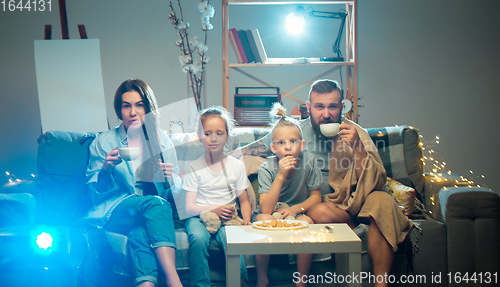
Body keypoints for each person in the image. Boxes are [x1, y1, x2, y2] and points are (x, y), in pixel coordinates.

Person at [241, 79, 413, 287]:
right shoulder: (295, 132)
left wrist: (357, 147)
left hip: (357, 202)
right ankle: (353, 234)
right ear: (308, 107)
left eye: (332, 106)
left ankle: (380, 285)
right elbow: (250, 152)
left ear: (342, 107)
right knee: (319, 211)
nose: (326, 114)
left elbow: (377, 181)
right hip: (325, 207)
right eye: (319, 107)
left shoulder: (355, 133)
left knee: (383, 200)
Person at [85, 79, 183, 287]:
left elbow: (176, 193)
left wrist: (171, 178)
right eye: (126, 105)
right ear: (119, 110)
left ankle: (146, 283)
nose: (133, 112)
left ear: (148, 109)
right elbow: (93, 194)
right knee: (155, 203)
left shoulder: (162, 140)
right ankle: (174, 281)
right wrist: (106, 169)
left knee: (139, 233)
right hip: (117, 207)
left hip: (147, 212)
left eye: (139, 105)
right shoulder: (104, 142)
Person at [252, 103, 322, 287]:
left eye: (293, 141)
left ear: (302, 144)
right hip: (271, 212)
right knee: (263, 219)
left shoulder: (310, 161)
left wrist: (294, 209)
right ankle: (262, 278)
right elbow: (265, 208)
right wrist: (281, 175)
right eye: (282, 143)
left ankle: (301, 281)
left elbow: (316, 197)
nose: (288, 147)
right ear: (273, 148)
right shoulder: (267, 168)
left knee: (307, 223)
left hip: (296, 212)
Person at [182, 106, 252, 287]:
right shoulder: (194, 168)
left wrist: (247, 221)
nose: (213, 138)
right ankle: (200, 284)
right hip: (198, 216)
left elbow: (244, 200)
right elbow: (189, 208)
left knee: (232, 239)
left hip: (228, 217)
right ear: (199, 136)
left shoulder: (236, 166)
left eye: (219, 133)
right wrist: (214, 209)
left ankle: (240, 282)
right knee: (197, 238)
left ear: (227, 136)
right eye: (207, 133)